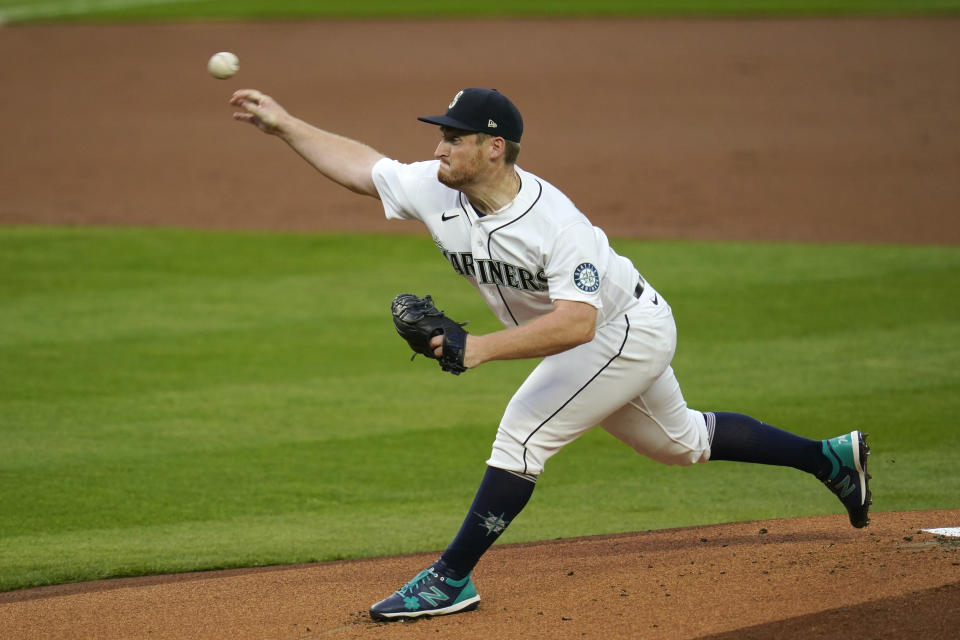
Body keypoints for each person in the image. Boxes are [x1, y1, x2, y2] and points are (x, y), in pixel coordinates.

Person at [229, 87, 872, 622]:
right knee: (679, 442)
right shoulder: (437, 187)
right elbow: (361, 167)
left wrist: (476, 349)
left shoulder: (555, 224)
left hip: (625, 331)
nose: (438, 148)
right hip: (600, 334)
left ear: (494, 147)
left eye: (453, 137)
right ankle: (830, 458)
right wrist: (285, 126)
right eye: (440, 136)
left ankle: (450, 578)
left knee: (522, 436)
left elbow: (574, 325)